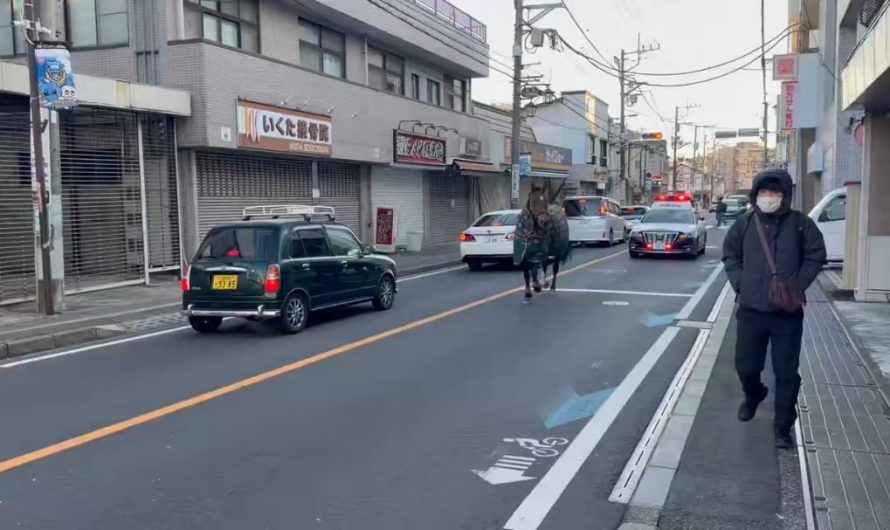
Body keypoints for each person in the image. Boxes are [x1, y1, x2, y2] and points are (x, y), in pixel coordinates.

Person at [722, 169, 826, 449]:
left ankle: (782, 428)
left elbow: (816, 255)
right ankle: (753, 394)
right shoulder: (744, 224)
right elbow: (730, 255)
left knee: (786, 372)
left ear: (786, 196)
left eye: (775, 193)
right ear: (756, 195)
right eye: (764, 193)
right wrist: (740, 284)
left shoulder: (801, 224)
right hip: (751, 310)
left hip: (787, 313)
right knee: (746, 366)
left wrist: (798, 285)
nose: (769, 198)